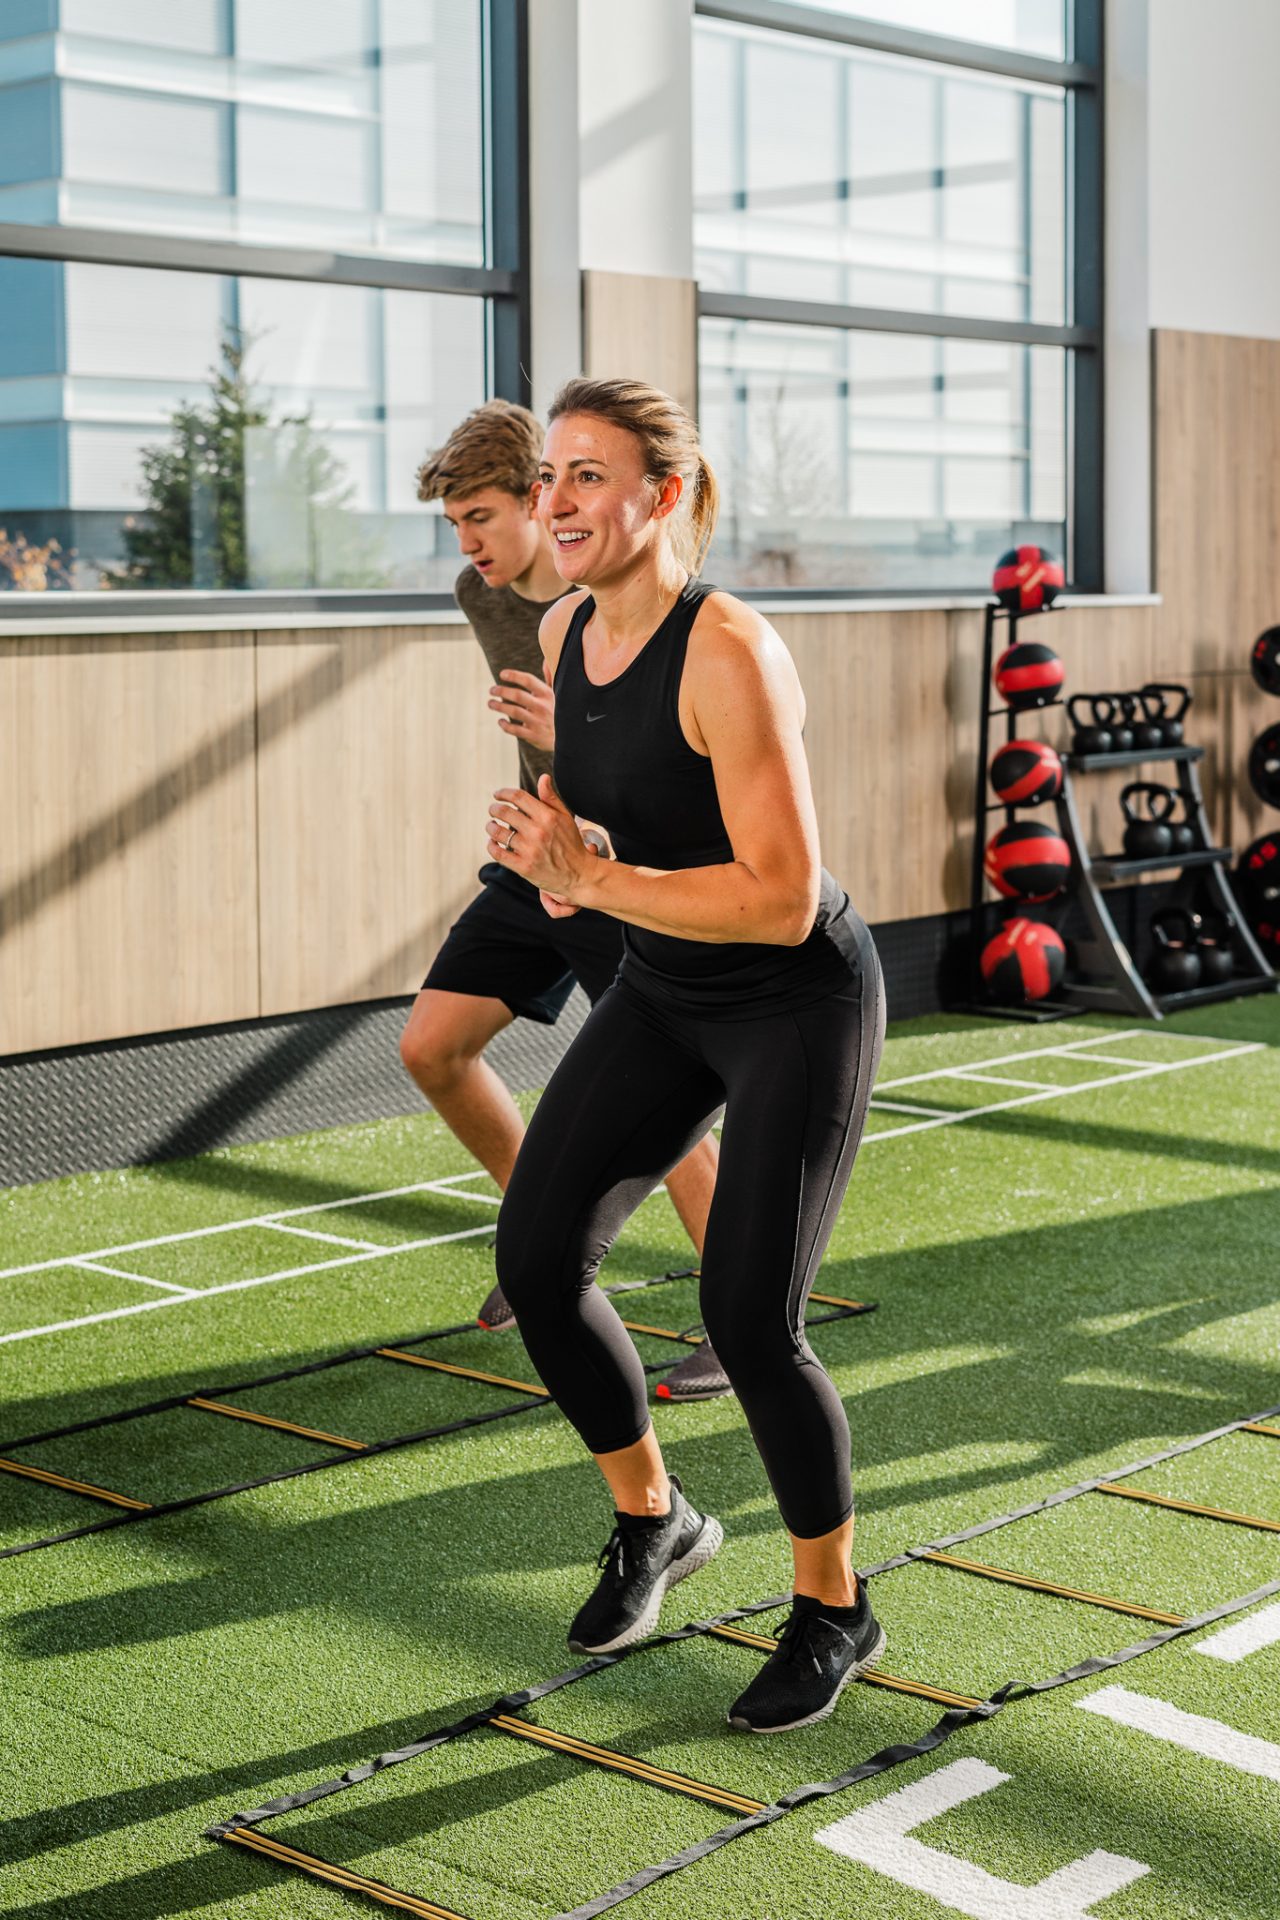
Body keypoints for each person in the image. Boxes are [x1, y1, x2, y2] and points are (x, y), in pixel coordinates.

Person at [487, 377, 887, 1735]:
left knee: (747, 1321)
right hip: (667, 985)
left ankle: (836, 1606)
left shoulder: (731, 652)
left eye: (587, 476)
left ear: (662, 494)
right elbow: (586, 824)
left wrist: (593, 886)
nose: (555, 503)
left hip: (795, 1000)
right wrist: (550, 865)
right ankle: (654, 1518)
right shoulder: (559, 630)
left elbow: (780, 896)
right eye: (550, 477)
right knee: (537, 1265)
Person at [401, 399, 730, 1401]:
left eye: (482, 518)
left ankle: (741, 1316)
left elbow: (660, 756)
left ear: (541, 500)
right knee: (431, 1046)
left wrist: (573, 728)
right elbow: (547, 741)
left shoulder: (625, 603)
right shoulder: (482, 593)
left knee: (663, 1112)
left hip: (620, 867)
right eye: (454, 525)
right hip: (538, 850)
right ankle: (541, 1247)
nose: (467, 545)